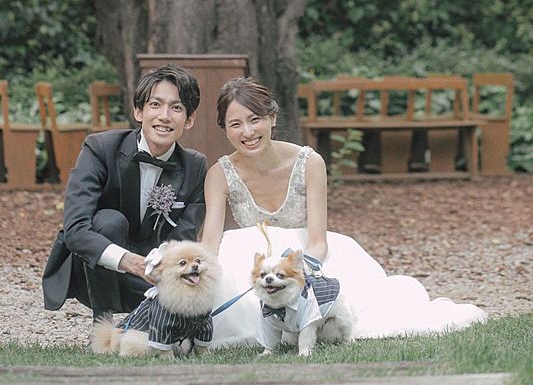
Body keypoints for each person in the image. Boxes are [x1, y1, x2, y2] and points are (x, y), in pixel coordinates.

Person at [201, 77, 487, 347]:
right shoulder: (219, 174)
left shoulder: (309, 162)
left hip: (306, 255)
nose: (248, 132)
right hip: (250, 258)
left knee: (354, 309)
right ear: (225, 129)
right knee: (238, 306)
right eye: (236, 124)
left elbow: (318, 241)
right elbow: (210, 243)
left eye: (255, 119)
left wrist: (302, 270)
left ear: (272, 118)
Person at [42, 65, 207, 320]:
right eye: (155, 104)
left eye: (176, 108)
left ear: (189, 119)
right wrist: (131, 262)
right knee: (109, 220)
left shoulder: (195, 166)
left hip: (153, 276)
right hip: (93, 268)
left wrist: (155, 269)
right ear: (138, 111)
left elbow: (182, 239)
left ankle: (147, 318)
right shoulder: (100, 148)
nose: (164, 116)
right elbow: (75, 229)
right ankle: (103, 325)